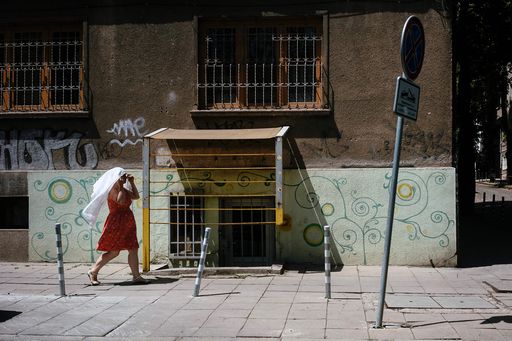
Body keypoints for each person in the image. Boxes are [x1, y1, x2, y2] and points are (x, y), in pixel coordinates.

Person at [82, 167, 149, 285]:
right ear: (116, 178)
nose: (123, 179)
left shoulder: (123, 188)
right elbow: (120, 201)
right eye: (121, 177)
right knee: (114, 251)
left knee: (133, 248)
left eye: (124, 176)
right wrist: (122, 186)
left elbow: (136, 196)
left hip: (127, 221)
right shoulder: (112, 189)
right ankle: (93, 271)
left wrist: (132, 182)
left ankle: (136, 276)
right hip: (116, 222)